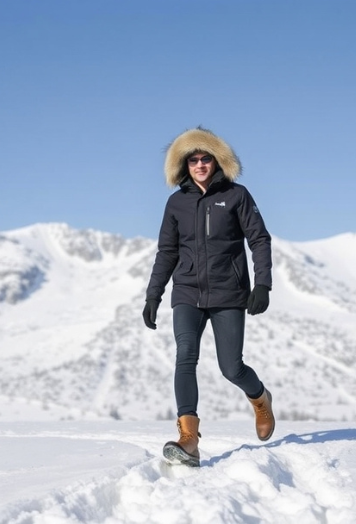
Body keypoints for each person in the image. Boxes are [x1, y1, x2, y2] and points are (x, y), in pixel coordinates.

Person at [142, 126, 275, 467]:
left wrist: (262, 284)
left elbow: (259, 239)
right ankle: (189, 439)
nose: (200, 164)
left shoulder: (236, 196)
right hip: (186, 291)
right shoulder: (176, 203)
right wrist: (153, 295)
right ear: (184, 166)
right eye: (193, 159)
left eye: (206, 158)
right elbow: (167, 252)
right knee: (185, 355)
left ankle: (260, 399)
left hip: (229, 294)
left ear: (217, 161)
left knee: (231, 367)